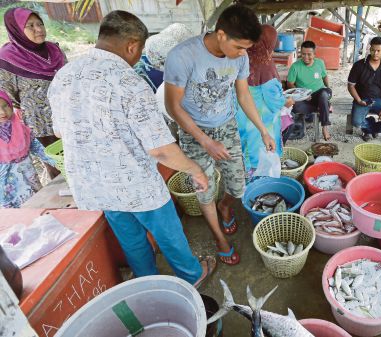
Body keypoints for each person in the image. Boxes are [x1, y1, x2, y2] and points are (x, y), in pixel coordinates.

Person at [48, 11, 215, 286]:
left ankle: (147, 285)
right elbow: (160, 149)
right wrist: (195, 169)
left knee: (132, 241)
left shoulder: (64, 76)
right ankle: (193, 277)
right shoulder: (128, 82)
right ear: (132, 46)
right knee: (169, 236)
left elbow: (59, 131)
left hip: (96, 188)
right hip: (137, 187)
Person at [164, 5, 275, 266]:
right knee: (204, 189)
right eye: (239, 47)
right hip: (193, 130)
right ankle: (219, 239)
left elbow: (243, 94)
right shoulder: (183, 56)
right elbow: (173, 107)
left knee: (238, 186)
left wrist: (263, 129)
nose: (242, 54)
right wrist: (204, 140)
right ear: (222, 35)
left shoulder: (240, 57)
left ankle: (225, 206)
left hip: (225, 125)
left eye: (246, 49)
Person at [0, 7, 65, 179]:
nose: (39, 29)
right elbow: (6, 95)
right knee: (57, 168)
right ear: (17, 30)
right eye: (30, 26)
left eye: (40, 24)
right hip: (40, 124)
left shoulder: (54, 50)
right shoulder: (7, 59)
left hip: (67, 117)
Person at [236, 24, 294, 180]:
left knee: (246, 152)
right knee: (261, 157)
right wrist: (287, 101)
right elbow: (274, 101)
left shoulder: (241, 58)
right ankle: (261, 184)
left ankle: (249, 184)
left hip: (243, 118)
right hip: (262, 123)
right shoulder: (266, 66)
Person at [0, 90, 56, 208]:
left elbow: (36, 147)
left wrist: (56, 161)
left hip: (30, 179)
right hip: (6, 189)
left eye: (5, 106)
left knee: (37, 209)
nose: (2, 112)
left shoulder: (21, 128)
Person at [347, 36, 381, 141]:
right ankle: (370, 128)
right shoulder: (359, 65)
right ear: (370, 49)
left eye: (378, 51)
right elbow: (351, 86)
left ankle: (370, 129)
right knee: (356, 122)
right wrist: (358, 100)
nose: (375, 53)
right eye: (373, 50)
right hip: (362, 99)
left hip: (378, 100)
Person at [287, 40, 332, 141]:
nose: (306, 57)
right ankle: (323, 106)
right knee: (296, 107)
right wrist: (302, 95)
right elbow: (290, 83)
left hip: (320, 93)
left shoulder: (320, 63)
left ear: (314, 54)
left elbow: (325, 76)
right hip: (304, 97)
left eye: (309, 54)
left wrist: (328, 87)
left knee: (324, 95)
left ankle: (325, 127)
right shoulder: (295, 66)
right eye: (303, 54)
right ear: (300, 53)